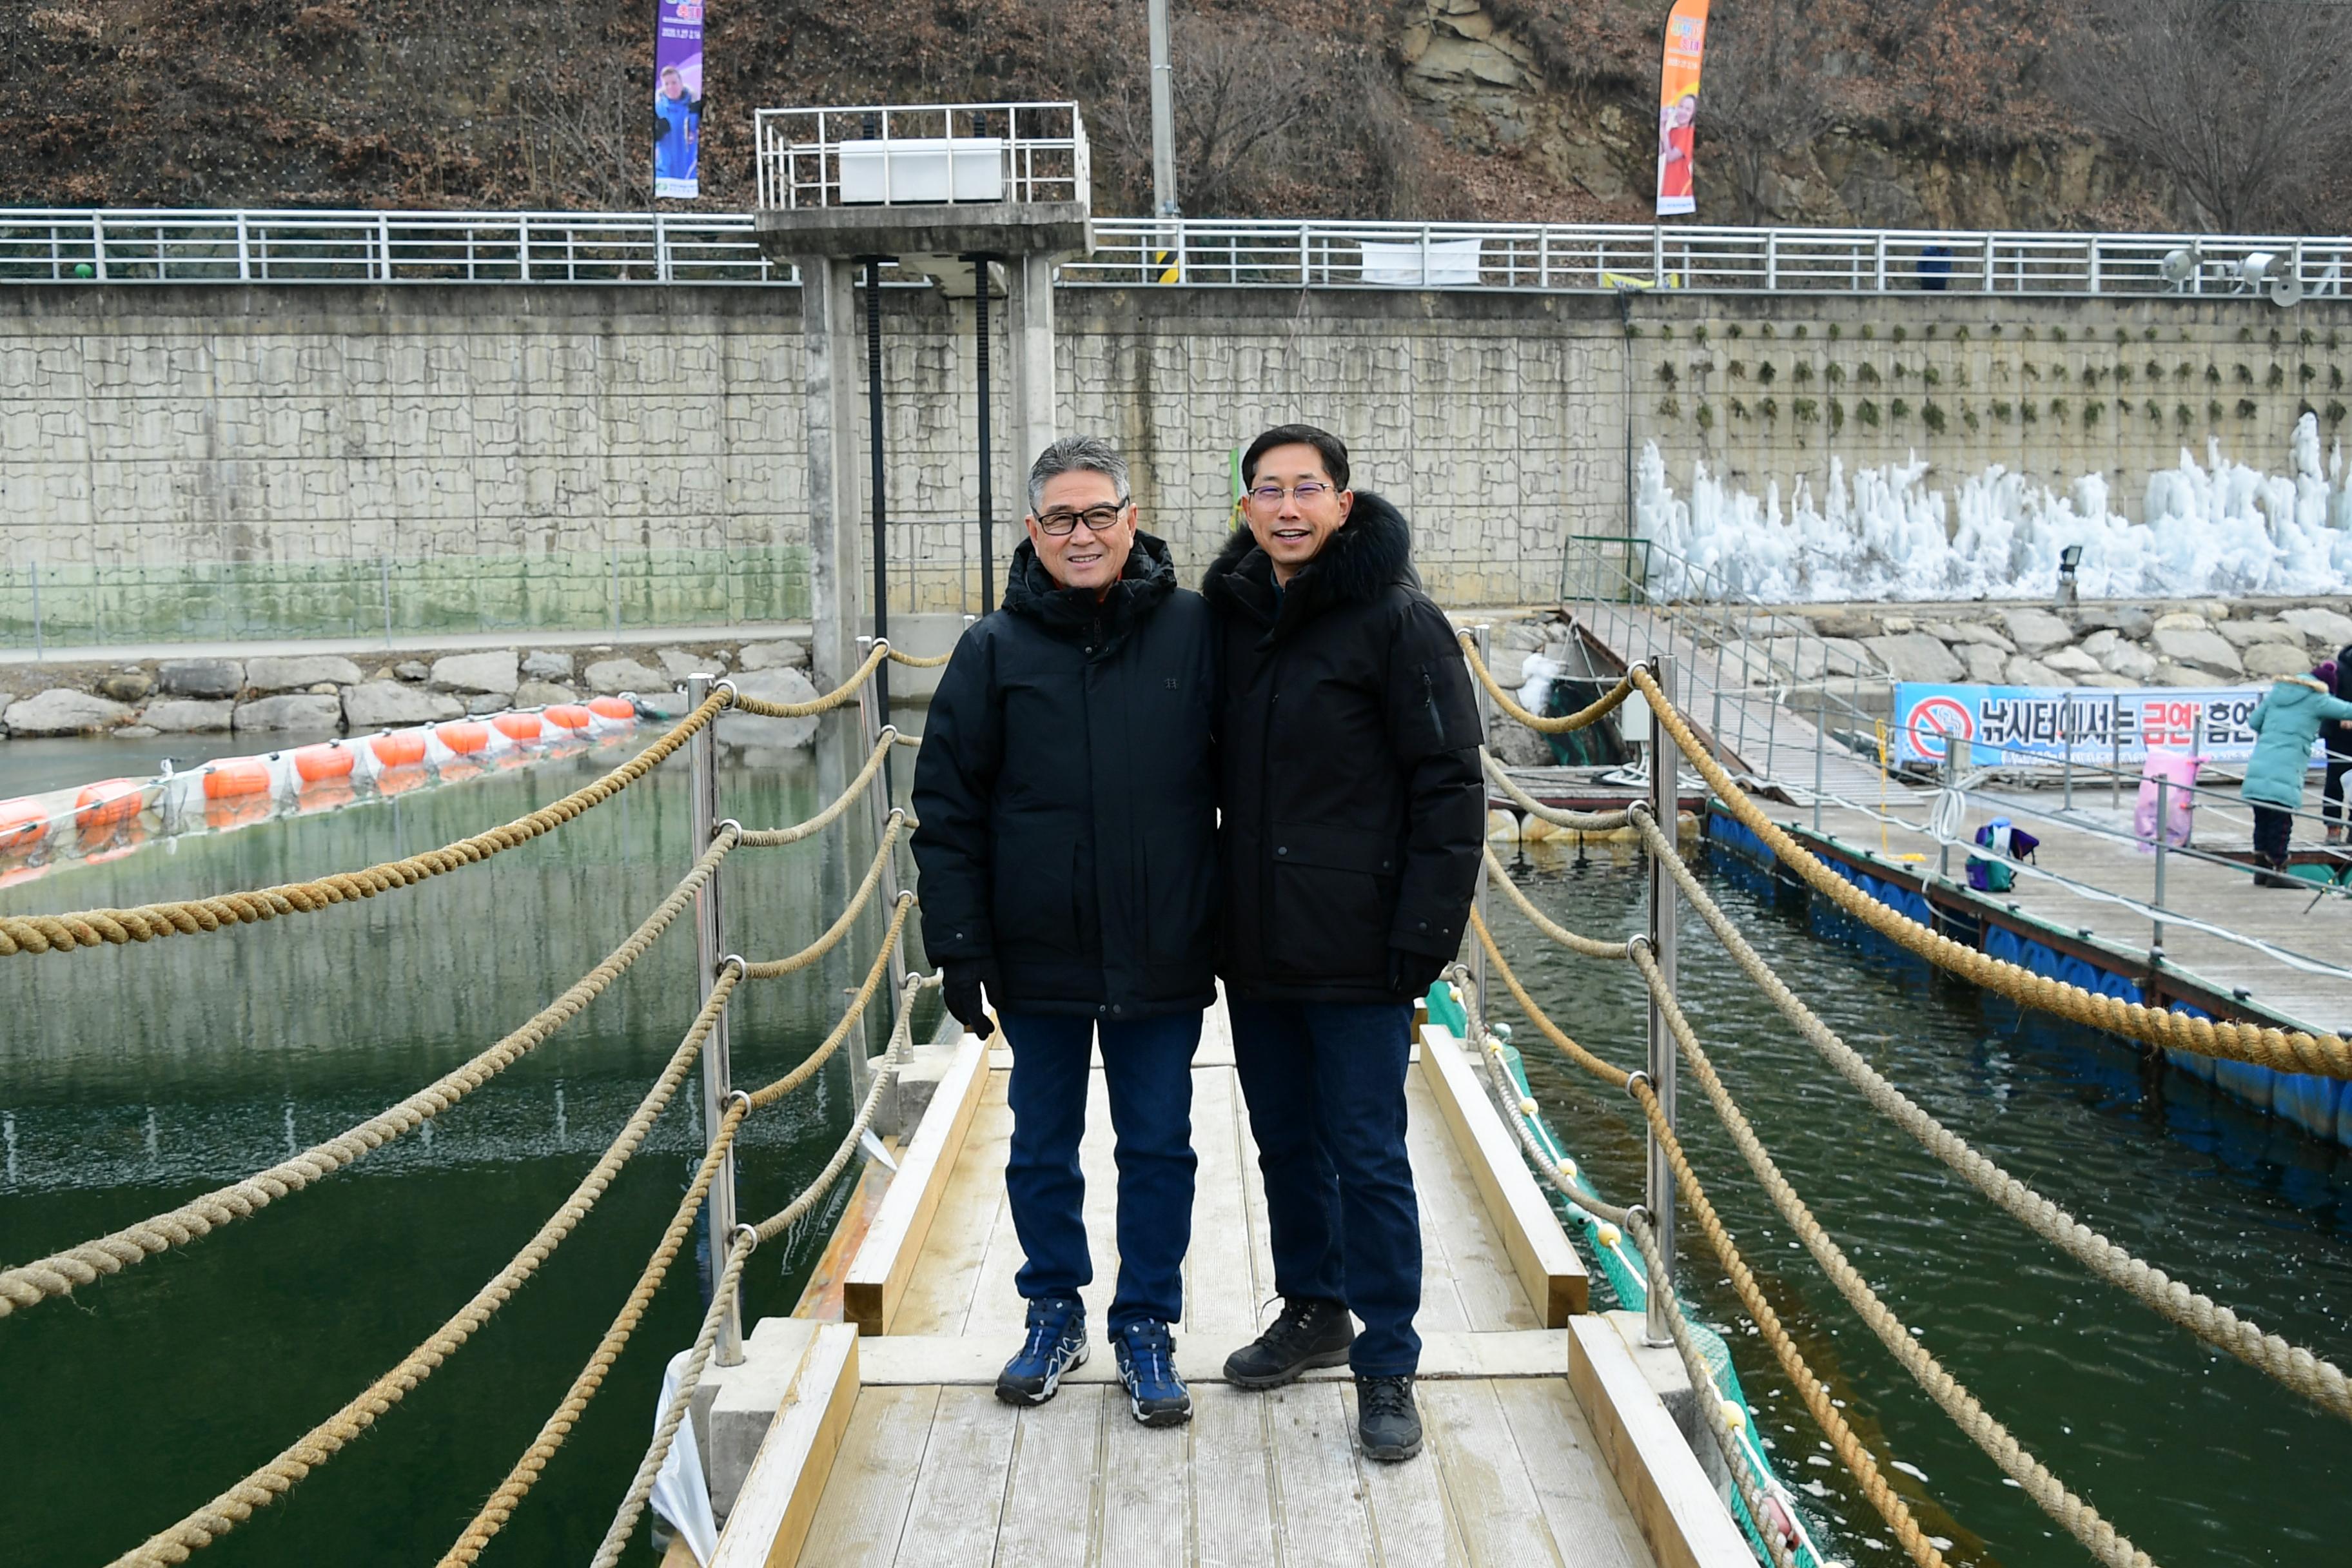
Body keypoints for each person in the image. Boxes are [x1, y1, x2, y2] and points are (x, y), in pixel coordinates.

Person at [911, 435, 1217, 1427]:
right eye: (1060, 520)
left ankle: (1147, 1323)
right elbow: (947, 806)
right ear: (1033, 532)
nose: (1081, 536)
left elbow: (1259, 782)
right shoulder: (992, 650)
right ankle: (1053, 1309)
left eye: (1098, 516)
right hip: (1037, 949)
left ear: (1133, 520)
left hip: (1163, 941)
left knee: (1158, 1145)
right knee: (1042, 1145)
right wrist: (959, 945)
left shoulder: (1195, 632)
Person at [1200, 423, 1484, 1463]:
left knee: (1367, 1154)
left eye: (1305, 489)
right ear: (1245, 511)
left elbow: (1449, 784)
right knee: (1283, 1142)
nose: (1286, 508)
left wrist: (1424, 933)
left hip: (1362, 946)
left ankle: (1388, 1358)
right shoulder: (1231, 620)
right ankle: (1315, 1308)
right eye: (1266, 491)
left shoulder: (1398, 622)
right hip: (1261, 944)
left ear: (1343, 503)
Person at [2239, 664, 2352, 886]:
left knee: (2262, 819)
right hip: (2287, 766)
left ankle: (2262, 871)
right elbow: (2347, 710)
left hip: (2260, 764)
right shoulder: (2317, 699)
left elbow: (2254, 722)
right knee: (2282, 821)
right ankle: (2279, 870)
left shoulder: (2278, 694)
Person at [653, 65, 701, 189]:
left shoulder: (694, 106)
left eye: (674, 82)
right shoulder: (657, 109)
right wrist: (656, 132)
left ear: (681, 83)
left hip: (690, 173)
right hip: (665, 176)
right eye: (667, 84)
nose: (671, 87)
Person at [2324, 650, 2352, 843]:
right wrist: (2342, 715)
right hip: (2338, 735)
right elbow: (2326, 698)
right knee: (2335, 781)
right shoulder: (2338, 669)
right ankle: (2333, 826)